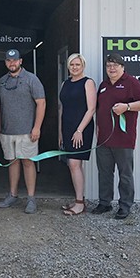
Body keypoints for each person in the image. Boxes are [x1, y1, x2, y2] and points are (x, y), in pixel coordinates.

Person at [93, 53, 140, 219]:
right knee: (104, 172)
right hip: (104, 139)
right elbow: (99, 109)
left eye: (115, 65)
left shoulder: (131, 83)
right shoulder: (103, 85)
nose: (111, 68)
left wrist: (127, 107)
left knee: (125, 174)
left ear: (122, 67)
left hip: (123, 138)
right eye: (109, 66)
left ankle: (125, 205)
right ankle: (104, 203)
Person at [0, 49, 46, 214]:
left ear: (20, 61)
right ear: (5, 62)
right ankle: (13, 195)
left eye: (15, 60)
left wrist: (37, 127)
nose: (12, 63)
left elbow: (41, 103)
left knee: (27, 162)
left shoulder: (32, 79)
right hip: (7, 131)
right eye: (9, 61)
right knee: (12, 162)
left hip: (27, 131)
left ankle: (31, 198)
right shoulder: (2, 81)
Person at [58, 53, 96, 216]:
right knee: (72, 164)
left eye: (77, 65)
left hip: (82, 129)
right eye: (72, 65)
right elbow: (61, 109)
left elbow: (91, 109)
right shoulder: (65, 84)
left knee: (74, 164)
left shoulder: (88, 83)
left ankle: (80, 203)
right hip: (67, 128)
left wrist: (79, 130)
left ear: (83, 66)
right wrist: (60, 132)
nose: (74, 67)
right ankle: (77, 199)